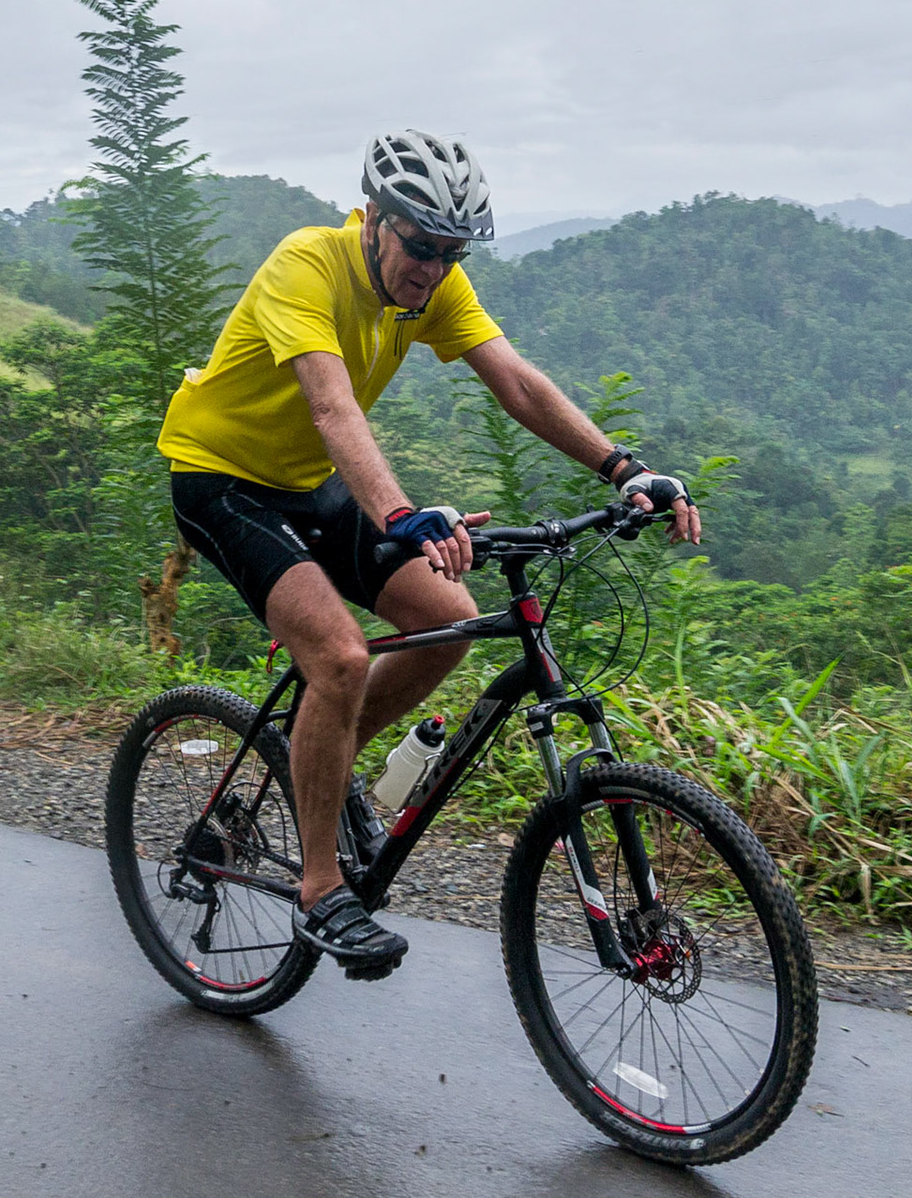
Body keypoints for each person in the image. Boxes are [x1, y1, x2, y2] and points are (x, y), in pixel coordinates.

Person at [157, 131, 701, 978]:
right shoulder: (307, 264)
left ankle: (321, 780)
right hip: (221, 478)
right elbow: (334, 410)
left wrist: (626, 468)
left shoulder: (434, 289)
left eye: (452, 254)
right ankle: (321, 887)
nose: (433, 269)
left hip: (310, 482)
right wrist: (402, 514)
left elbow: (514, 380)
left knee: (450, 621)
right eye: (421, 247)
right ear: (374, 219)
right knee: (337, 656)